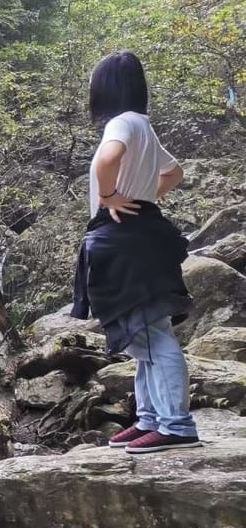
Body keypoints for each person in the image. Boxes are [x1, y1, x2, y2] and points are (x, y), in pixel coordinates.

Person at [71, 51, 201, 454]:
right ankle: (150, 419)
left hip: (125, 239)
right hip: (141, 235)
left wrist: (111, 195)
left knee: (152, 335)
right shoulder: (142, 125)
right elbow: (174, 173)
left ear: (107, 87)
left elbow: (107, 160)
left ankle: (176, 426)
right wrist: (144, 198)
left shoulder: (122, 123)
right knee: (143, 336)